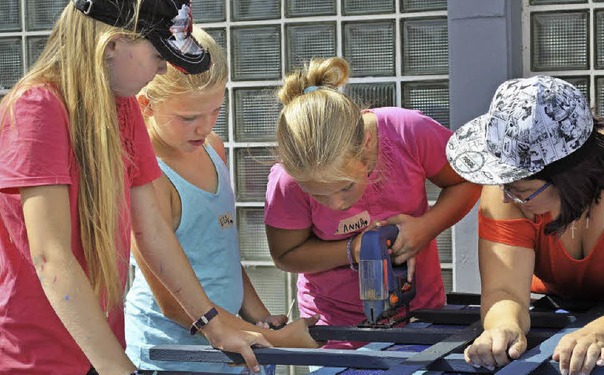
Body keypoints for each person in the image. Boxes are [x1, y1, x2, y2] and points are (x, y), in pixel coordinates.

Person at [0, 1, 271, 374]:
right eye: (158, 52)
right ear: (112, 44)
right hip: (34, 358)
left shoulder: (122, 109)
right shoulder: (37, 107)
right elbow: (51, 258)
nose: (163, 67)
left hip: (98, 351)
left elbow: (152, 230)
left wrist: (214, 324)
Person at [125, 26, 318, 373]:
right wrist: (276, 340)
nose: (204, 127)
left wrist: (260, 319)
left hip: (231, 346)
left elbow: (223, 254)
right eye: (188, 118)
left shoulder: (213, 147)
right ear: (146, 105)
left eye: (215, 111)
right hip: (172, 356)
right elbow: (170, 301)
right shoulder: (147, 177)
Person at [264, 57, 482, 348]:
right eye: (317, 194)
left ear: (366, 143)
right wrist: (352, 250)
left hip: (422, 315)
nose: (337, 204)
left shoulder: (409, 131)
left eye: (345, 187)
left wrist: (426, 228)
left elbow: (467, 179)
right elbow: (286, 254)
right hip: (335, 326)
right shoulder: (286, 180)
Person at [446, 75, 604, 375]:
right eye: (505, 186)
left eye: (521, 191)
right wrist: (503, 327)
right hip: (554, 315)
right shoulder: (506, 187)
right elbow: (504, 291)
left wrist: (599, 334)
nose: (507, 199)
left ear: (570, 177)